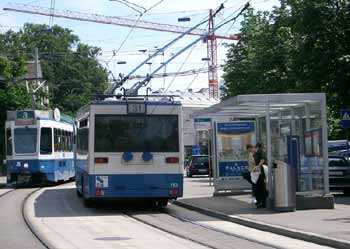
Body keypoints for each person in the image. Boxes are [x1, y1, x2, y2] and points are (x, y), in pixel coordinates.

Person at [253, 142, 268, 208]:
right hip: (261, 171)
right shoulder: (259, 151)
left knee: (262, 187)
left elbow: (262, 160)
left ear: (257, 146)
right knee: (261, 187)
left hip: (262, 171)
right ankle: (262, 202)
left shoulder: (260, 151)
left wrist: (257, 166)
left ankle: (263, 203)